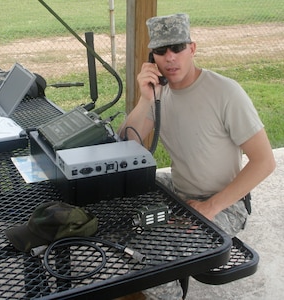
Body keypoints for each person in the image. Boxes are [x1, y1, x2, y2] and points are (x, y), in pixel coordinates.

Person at [118, 13, 276, 299]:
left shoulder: (225, 92)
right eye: (161, 51)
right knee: (118, 201)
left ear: (192, 48)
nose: (170, 58)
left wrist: (211, 207)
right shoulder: (159, 94)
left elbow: (265, 162)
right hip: (179, 193)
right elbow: (128, 145)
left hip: (225, 203)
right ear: (153, 57)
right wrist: (144, 98)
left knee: (156, 260)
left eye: (177, 48)